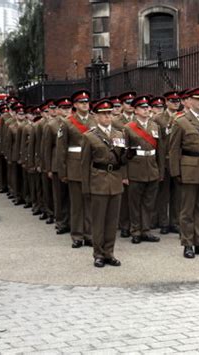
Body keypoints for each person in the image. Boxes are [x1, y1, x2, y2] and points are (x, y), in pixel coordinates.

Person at [169, 87, 199, 259]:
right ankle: (187, 244)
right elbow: (174, 150)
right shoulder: (181, 121)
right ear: (189, 100)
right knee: (187, 210)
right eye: (197, 99)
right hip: (188, 170)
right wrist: (176, 172)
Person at [81, 100, 127, 268]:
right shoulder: (89, 136)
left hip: (115, 180)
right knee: (98, 221)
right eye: (103, 114)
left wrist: (127, 157)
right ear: (96, 116)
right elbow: (84, 164)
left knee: (112, 221)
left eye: (109, 113)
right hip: (98, 181)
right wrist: (86, 188)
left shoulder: (119, 135)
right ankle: (98, 254)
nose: (107, 116)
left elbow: (121, 160)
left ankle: (109, 252)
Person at [57, 89, 97, 248]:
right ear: (75, 105)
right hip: (75, 166)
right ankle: (77, 235)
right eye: (81, 102)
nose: (85, 105)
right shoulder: (67, 122)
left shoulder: (95, 120)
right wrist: (63, 170)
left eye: (87, 102)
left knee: (90, 201)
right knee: (77, 203)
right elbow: (61, 149)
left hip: (93, 166)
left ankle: (89, 234)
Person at [124, 95, 164, 244]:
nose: (146, 110)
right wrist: (125, 174)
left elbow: (160, 150)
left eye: (147, 107)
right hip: (135, 169)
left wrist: (160, 170)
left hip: (152, 168)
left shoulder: (155, 126)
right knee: (134, 203)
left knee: (149, 203)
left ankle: (146, 230)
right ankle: (135, 231)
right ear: (135, 110)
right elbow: (124, 153)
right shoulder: (128, 128)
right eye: (142, 107)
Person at [152, 91, 182, 235]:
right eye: (172, 100)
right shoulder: (158, 119)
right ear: (166, 102)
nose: (175, 103)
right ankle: (163, 222)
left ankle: (174, 222)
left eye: (177, 101)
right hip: (164, 160)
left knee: (177, 194)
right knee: (163, 194)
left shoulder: (183, 117)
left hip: (177, 160)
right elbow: (157, 142)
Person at [43, 97, 72, 235]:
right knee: (60, 196)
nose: (67, 111)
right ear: (58, 110)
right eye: (64, 108)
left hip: (73, 164)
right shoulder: (51, 125)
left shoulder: (73, 123)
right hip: (56, 164)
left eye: (69, 108)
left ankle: (72, 222)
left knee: (73, 196)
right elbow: (47, 148)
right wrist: (48, 168)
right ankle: (61, 222)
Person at [112, 91, 137, 238]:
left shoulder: (138, 120)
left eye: (132, 102)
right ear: (122, 105)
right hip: (123, 162)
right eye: (127, 103)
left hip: (138, 162)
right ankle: (125, 225)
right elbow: (118, 150)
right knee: (125, 197)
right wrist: (123, 172)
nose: (130, 105)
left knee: (135, 198)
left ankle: (136, 225)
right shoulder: (115, 122)